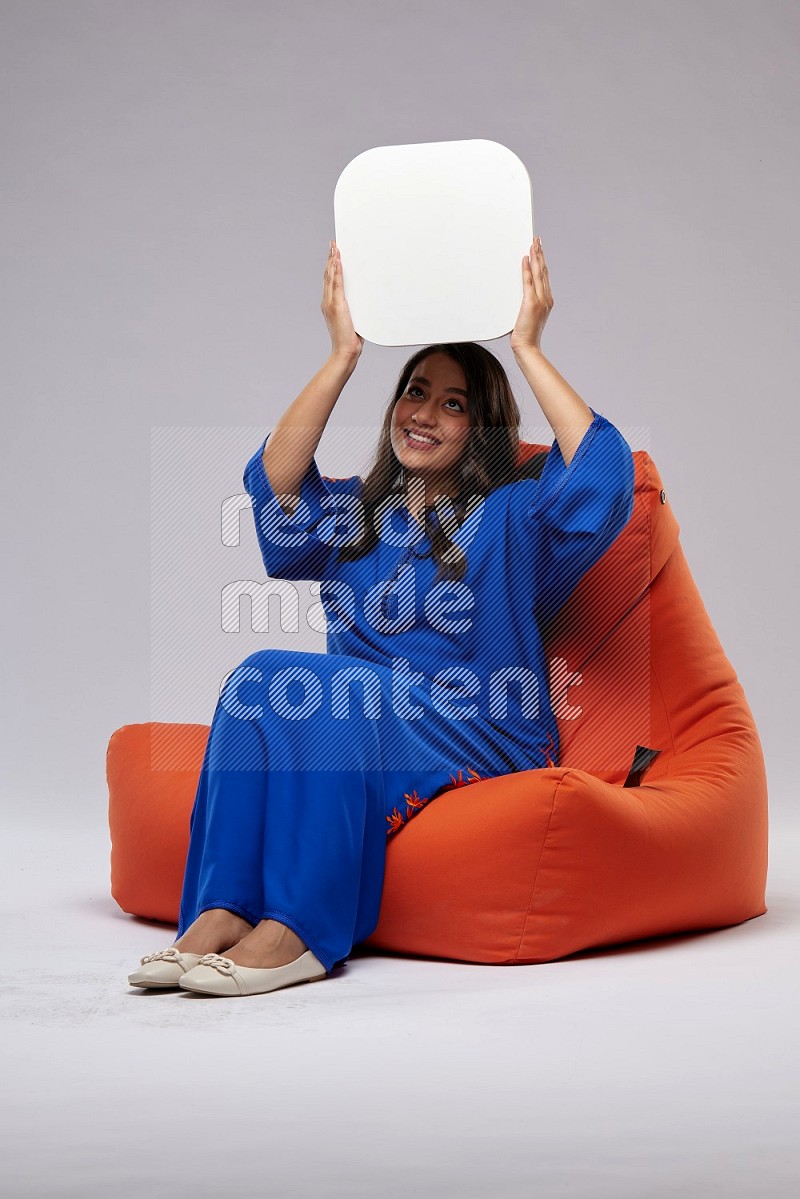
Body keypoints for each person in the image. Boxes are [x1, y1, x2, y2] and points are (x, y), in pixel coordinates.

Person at [127, 236, 635, 997]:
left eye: (453, 403)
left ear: (480, 427)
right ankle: (221, 910)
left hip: (485, 724)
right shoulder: (357, 517)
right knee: (256, 678)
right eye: (415, 391)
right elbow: (274, 479)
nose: (424, 413)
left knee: (329, 689)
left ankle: (302, 930)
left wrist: (526, 344)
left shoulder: (515, 513)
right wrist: (342, 355)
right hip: (365, 717)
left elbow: (601, 472)